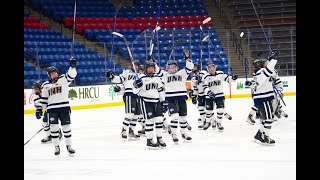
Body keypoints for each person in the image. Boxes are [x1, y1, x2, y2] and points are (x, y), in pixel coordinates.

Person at [40, 57, 77, 156]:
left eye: (55, 72)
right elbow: (44, 99)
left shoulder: (63, 79)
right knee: (54, 129)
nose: (54, 74)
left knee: (66, 128)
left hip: (64, 108)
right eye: (52, 73)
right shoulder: (45, 85)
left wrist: (72, 66)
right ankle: (56, 147)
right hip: (52, 110)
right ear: (49, 75)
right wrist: (40, 109)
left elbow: (72, 75)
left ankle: (69, 146)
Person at [158, 49, 194, 143]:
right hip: (171, 99)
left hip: (182, 98)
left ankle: (184, 133)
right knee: (174, 117)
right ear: (167, 68)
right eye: (170, 67)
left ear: (176, 67)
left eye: (173, 67)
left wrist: (187, 59)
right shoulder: (165, 75)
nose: (171, 69)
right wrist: (153, 61)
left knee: (183, 117)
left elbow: (190, 67)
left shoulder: (182, 73)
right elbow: (157, 71)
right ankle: (174, 134)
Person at [133, 60, 166, 149]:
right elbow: (135, 91)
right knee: (150, 121)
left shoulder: (157, 78)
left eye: (152, 68)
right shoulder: (141, 78)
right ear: (146, 69)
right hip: (146, 102)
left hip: (157, 102)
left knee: (159, 120)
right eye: (149, 68)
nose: (151, 70)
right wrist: (136, 85)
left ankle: (159, 138)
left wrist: (163, 101)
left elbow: (160, 90)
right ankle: (149, 140)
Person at [245, 57, 277, 145]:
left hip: (264, 98)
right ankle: (266, 137)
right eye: (266, 63)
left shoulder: (260, 73)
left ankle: (259, 135)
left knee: (265, 120)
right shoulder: (262, 72)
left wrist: (250, 84)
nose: (267, 64)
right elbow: (270, 69)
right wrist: (273, 60)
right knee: (269, 119)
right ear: (261, 65)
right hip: (264, 98)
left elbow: (255, 85)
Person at [106, 61, 141, 140]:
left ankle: (131, 132)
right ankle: (123, 131)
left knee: (136, 115)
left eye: (136, 66)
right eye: (133, 65)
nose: (134, 67)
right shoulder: (126, 73)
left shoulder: (140, 74)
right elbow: (119, 79)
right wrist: (111, 76)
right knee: (129, 115)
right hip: (129, 94)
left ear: (138, 66)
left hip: (137, 96)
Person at [202, 61, 238, 131]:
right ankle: (208, 122)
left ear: (215, 67)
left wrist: (233, 78)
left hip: (219, 95)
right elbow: (204, 86)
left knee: (220, 110)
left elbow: (228, 79)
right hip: (209, 97)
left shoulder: (220, 73)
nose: (211, 69)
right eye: (209, 67)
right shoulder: (205, 76)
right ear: (207, 69)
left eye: (212, 67)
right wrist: (208, 92)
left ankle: (219, 123)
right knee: (208, 111)